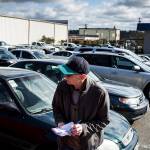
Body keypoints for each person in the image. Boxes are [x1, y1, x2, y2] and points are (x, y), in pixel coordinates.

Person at [52, 56, 110, 150]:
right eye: (64, 73)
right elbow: (56, 107)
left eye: (69, 75)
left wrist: (83, 128)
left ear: (82, 76)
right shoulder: (62, 86)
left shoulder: (99, 92)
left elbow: (104, 120)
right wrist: (60, 121)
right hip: (65, 143)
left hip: (87, 145)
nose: (65, 77)